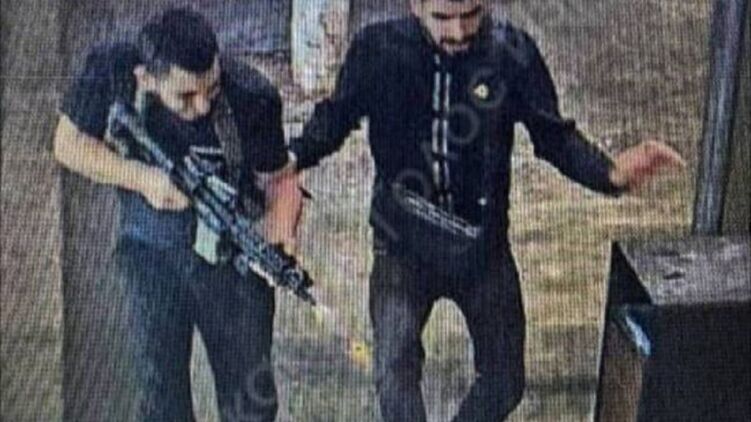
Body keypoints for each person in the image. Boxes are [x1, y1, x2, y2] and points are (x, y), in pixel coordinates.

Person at [289, 0, 684, 420]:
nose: (459, 33)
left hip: (482, 248)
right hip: (402, 245)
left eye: (471, 15)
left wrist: (610, 174)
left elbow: (553, 136)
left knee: (505, 380)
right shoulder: (377, 49)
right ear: (415, 5)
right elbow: (335, 118)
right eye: (443, 18)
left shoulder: (511, 53)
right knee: (394, 370)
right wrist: (288, 160)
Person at [53, 8, 302, 421]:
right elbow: (67, 143)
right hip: (150, 258)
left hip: (232, 269)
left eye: (212, 88)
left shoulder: (251, 96)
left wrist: (280, 227)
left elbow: (280, 179)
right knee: (160, 401)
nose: (202, 106)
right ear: (146, 79)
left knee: (251, 404)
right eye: (185, 96)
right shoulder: (112, 71)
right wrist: (142, 179)